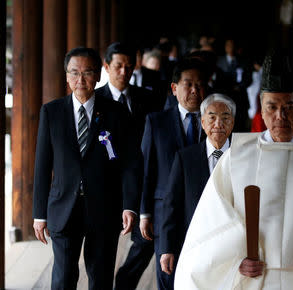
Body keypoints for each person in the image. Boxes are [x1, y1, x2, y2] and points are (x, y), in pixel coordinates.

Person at [174, 48, 293, 289]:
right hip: (253, 279)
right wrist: (235, 259)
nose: (280, 116)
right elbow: (212, 224)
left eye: (289, 106)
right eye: (272, 107)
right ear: (261, 108)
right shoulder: (236, 158)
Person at [32, 47, 139, 289]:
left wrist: (130, 206)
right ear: (66, 76)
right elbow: (42, 165)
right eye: (74, 73)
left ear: (98, 75)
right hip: (63, 207)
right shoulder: (52, 112)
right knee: (63, 277)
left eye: (87, 72)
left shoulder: (117, 113)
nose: (80, 80)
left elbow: (131, 163)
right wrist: (39, 213)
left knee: (100, 277)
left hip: (104, 208)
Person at [139, 57, 208, 290]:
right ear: (174, 88)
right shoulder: (156, 122)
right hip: (163, 213)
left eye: (199, 85)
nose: (194, 90)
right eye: (187, 84)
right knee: (167, 275)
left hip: (203, 212)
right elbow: (146, 171)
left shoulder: (215, 124)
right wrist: (144, 212)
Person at [94, 42, 155, 290]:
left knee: (146, 238)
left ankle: (125, 281)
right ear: (107, 66)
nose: (123, 72)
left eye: (129, 67)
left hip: (142, 178)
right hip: (108, 183)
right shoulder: (95, 101)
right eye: (118, 66)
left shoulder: (147, 98)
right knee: (104, 250)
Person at [159, 94, 236, 278]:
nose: (218, 124)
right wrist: (167, 248)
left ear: (232, 122)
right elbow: (171, 204)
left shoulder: (243, 157)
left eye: (225, 118)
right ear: (202, 122)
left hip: (232, 246)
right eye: (212, 118)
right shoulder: (185, 158)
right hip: (194, 243)